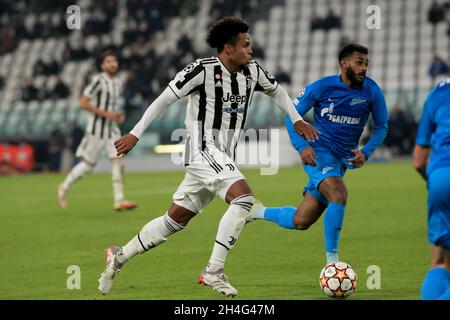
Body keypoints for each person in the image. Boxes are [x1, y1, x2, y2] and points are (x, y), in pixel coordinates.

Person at [97, 17, 319, 297]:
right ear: (228, 48)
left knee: (175, 220)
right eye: (245, 45)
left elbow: (278, 92)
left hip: (221, 155)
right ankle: (214, 270)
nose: (251, 50)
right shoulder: (202, 70)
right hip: (202, 149)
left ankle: (118, 256)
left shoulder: (252, 71)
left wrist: (297, 119)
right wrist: (135, 133)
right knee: (244, 199)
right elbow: (164, 98)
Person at [248, 43, 389, 265]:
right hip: (318, 153)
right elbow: (290, 116)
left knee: (302, 220)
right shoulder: (322, 87)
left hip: (341, 161)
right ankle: (332, 264)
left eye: (366, 64)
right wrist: (302, 147)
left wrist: (366, 152)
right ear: (344, 64)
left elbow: (382, 126)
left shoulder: (372, 91)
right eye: (359, 62)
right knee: (339, 194)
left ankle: (257, 211)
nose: (364, 68)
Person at [57, 50, 137, 211]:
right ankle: (63, 188)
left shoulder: (118, 81)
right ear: (102, 65)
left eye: (114, 60)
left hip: (112, 129)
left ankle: (119, 200)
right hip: (96, 130)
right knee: (88, 165)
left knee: (118, 160)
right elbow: (83, 103)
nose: (112, 63)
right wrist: (107, 114)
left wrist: (117, 115)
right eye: (108, 61)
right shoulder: (98, 81)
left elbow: (111, 105)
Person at [413, 76, 450, 300]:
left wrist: (435, 181)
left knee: (440, 261)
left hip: (440, 177)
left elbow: (418, 160)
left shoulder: (438, 91)